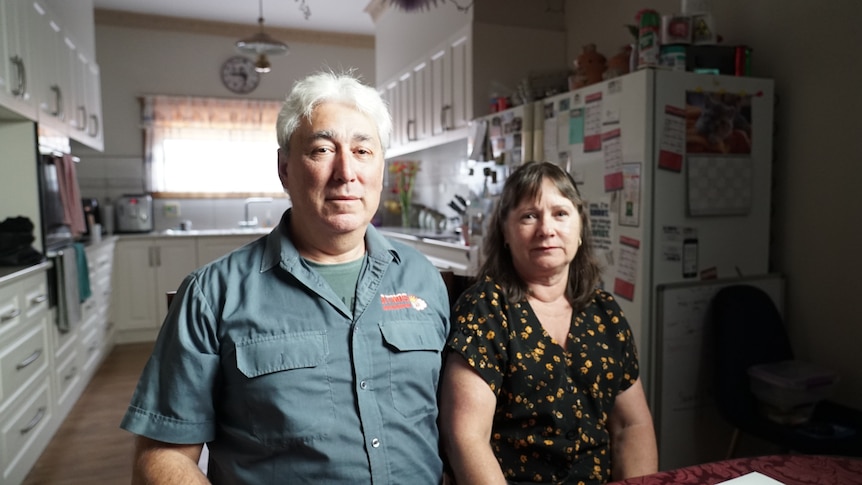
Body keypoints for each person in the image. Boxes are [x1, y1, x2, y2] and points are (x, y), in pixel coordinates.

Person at [120, 71, 451, 484]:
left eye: (363, 150)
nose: (346, 171)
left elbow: (458, 430)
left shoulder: (424, 280)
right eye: (322, 149)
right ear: (285, 169)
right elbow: (162, 457)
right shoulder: (211, 295)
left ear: (381, 166)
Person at [440, 161, 657, 484]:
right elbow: (467, 438)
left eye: (560, 213)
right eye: (529, 216)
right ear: (505, 232)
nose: (546, 229)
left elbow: (632, 426)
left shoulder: (605, 312)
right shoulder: (485, 310)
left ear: (580, 226)